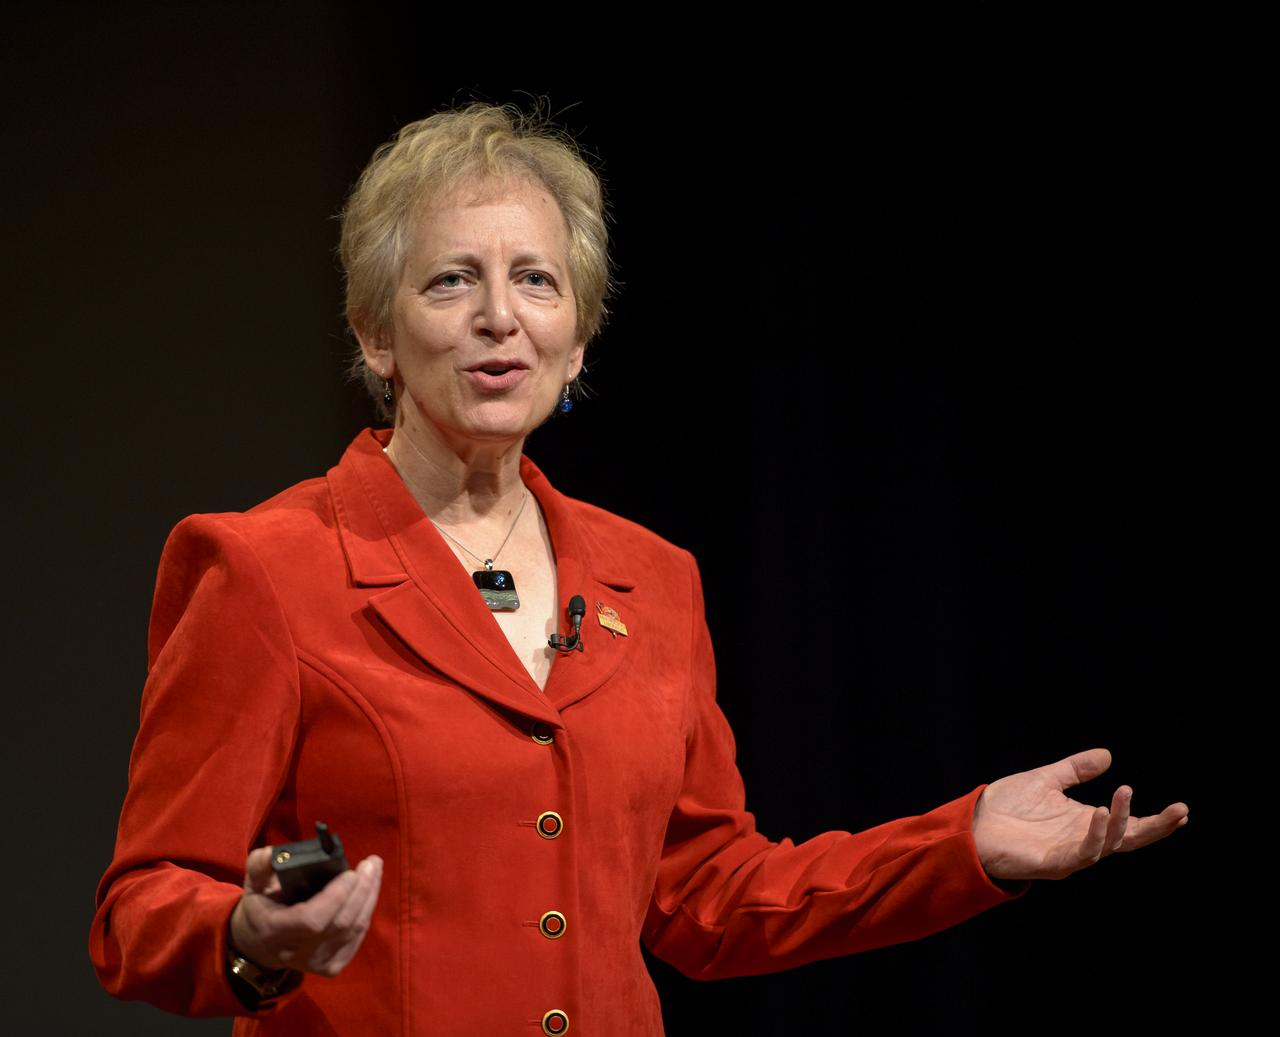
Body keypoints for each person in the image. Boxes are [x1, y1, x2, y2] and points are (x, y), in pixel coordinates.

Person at [89, 103, 1189, 1036]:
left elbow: (705, 896)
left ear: (575, 340)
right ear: (376, 333)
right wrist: (248, 934)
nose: (497, 318)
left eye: (535, 281)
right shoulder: (265, 567)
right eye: (449, 283)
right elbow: (140, 906)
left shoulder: (650, 579)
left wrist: (960, 843)